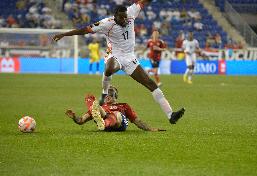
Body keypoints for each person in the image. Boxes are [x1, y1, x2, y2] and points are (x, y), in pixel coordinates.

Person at [53, 0, 185, 124]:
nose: (124, 20)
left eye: (125, 17)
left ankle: (170, 115)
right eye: (121, 18)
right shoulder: (106, 23)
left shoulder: (131, 12)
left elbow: (142, 2)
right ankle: (104, 93)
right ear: (115, 16)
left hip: (130, 58)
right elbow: (85, 30)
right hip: (115, 55)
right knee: (109, 68)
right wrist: (64, 34)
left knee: (151, 84)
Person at [65, 86, 166, 132]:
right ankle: (103, 122)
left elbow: (137, 121)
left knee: (117, 114)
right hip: (104, 116)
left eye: (111, 94)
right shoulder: (100, 108)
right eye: (106, 94)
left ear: (115, 97)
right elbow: (81, 121)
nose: (108, 96)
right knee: (91, 98)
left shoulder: (123, 106)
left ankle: (104, 123)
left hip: (119, 124)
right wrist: (74, 117)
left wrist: (151, 129)